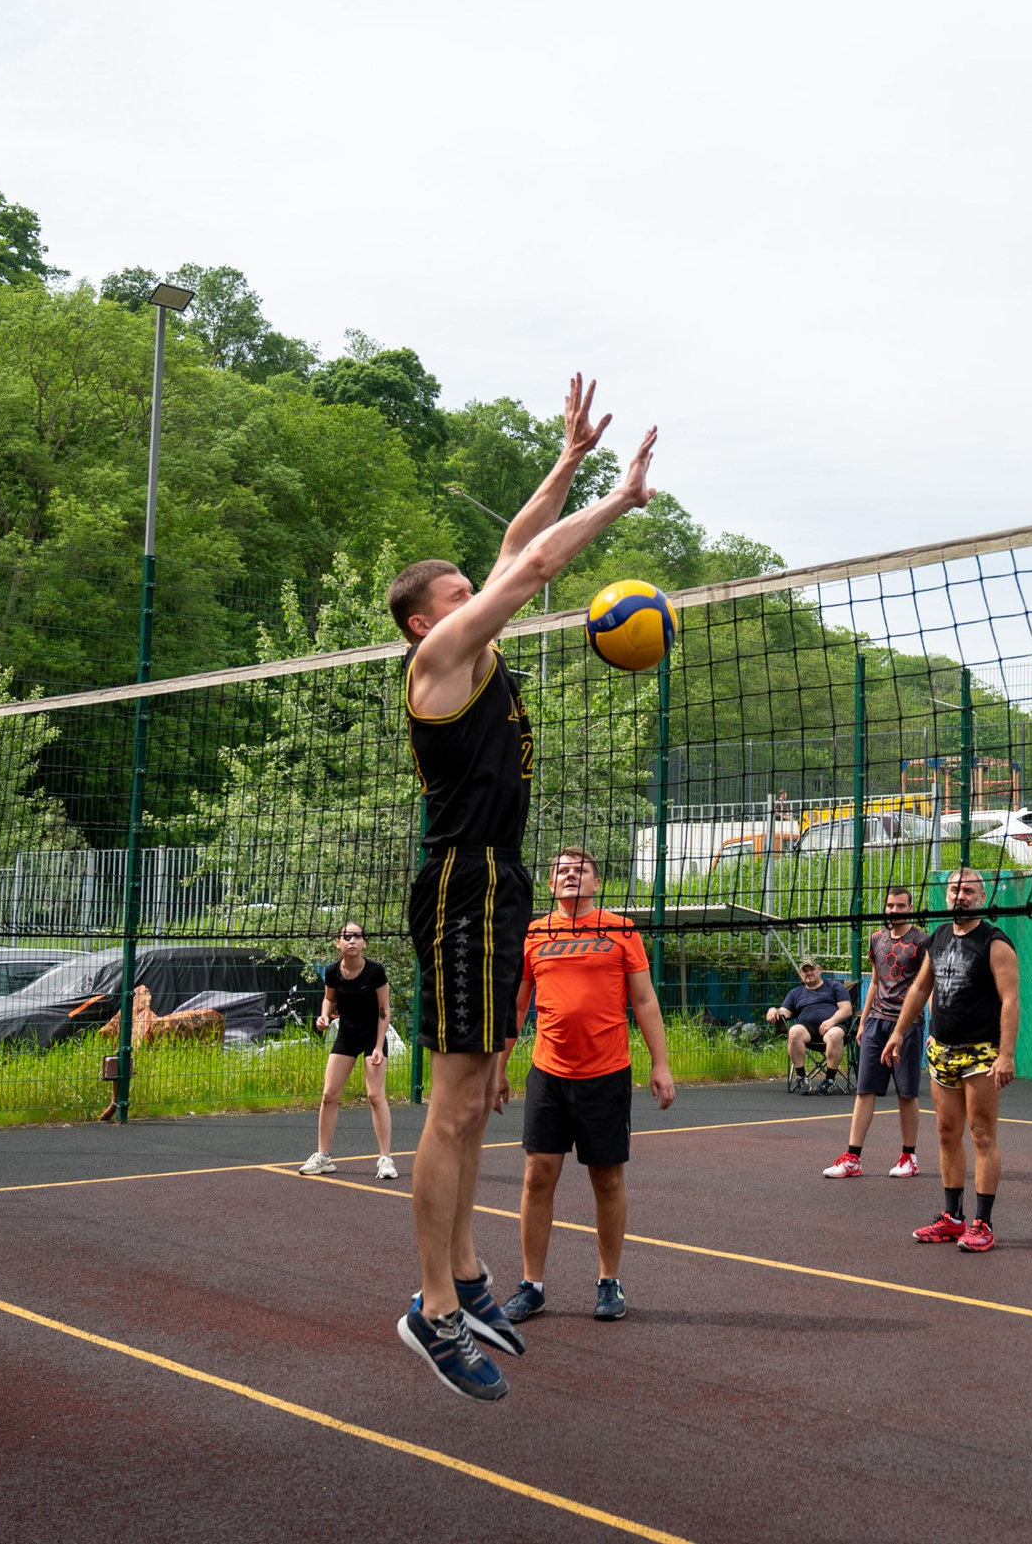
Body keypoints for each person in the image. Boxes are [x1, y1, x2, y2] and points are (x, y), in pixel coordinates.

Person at [388, 373, 657, 1403]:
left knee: (472, 1105)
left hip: (499, 884)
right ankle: (431, 1310)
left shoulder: (475, 639)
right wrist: (621, 503)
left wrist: (572, 461)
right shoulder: (445, 658)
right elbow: (537, 557)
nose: (482, 589)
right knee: (453, 1110)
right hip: (460, 882)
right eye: (461, 589)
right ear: (425, 621)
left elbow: (517, 540)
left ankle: (465, 1275)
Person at [499, 847, 675, 1326]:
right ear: (551, 883)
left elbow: (644, 1000)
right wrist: (500, 1065)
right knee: (537, 1177)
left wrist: (661, 1064)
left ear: (596, 882)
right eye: (561, 870)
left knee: (607, 1180)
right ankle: (531, 1286)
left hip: (606, 1074)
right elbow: (516, 1007)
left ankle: (608, 1282)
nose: (570, 875)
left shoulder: (620, 929)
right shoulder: (534, 932)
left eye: (581, 869)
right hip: (548, 1075)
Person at [881, 868, 1018, 1252]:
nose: (960, 896)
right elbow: (921, 986)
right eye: (955, 890)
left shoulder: (995, 942)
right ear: (946, 896)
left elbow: (1010, 1000)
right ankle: (953, 1218)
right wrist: (898, 1032)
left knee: (982, 1134)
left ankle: (983, 1224)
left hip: (980, 1053)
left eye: (969, 891)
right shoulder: (938, 937)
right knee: (945, 1133)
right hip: (941, 1050)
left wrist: (1006, 1055)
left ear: (981, 896)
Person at [824, 885, 927, 1178]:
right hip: (876, 1024)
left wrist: (937, 1025)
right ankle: (853, 1158)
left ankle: (909, 1157)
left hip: (907, 1025)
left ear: (910, 907)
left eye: (900, 906)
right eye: (890, 906)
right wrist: (864, 1020)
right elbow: (874, 981)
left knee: (906, 1093)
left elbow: (926, 985)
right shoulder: (876, 938)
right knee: (864, 1090)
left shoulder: (921, 941)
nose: (894, 910)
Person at [301, 923, 395, 1180]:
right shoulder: (333, 971)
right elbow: (330, 999)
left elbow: (384, 1010)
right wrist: (323, 1016)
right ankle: (323, 1156)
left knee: (375, 1096)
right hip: (347, 1036)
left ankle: (385, 1159)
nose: (351, 940)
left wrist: (378, 1046)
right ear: (337, 943)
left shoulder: (375, 971)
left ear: (364, 943)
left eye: (357, 936)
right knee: (329, 1095)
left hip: (372, 1036)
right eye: (346, 937)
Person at [765, 961, 852, 1091]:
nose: (808, 973)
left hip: (833, 1026)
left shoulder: (834, 986)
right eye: (805, 971)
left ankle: (829, 1079)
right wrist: (773, 1010)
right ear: (801, 974)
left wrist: (831, 1021)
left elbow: (846, 1009)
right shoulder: (795, 993)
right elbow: (785, 1012)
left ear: (820, 970)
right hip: (807, 1028)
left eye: (811, 969)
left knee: (834, 1034)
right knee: (794, 1031)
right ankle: (801, 1078)